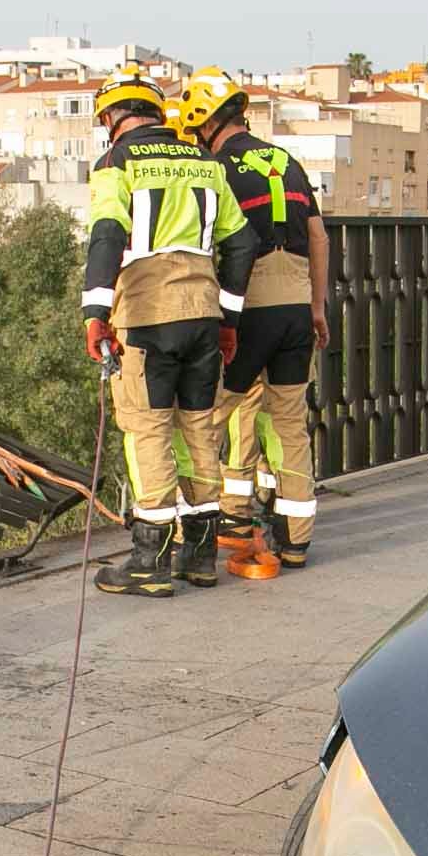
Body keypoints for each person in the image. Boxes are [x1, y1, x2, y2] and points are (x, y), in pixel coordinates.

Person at [81, 69, 259, 597]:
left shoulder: (115, 162)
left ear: (111, 118)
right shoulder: (203, 161)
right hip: (203, 314)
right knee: (200, 429)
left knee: (148, 430)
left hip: (146, 315)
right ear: (158, 113)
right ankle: (199, 556)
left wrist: (95, 310)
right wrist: (227, 317)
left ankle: (149, 560)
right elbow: (242, 243)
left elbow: (108, 232)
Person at [172, 67, 326, 571]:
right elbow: (319, 238)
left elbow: (219, 242)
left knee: (207, 413)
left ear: (203, 123)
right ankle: (296, 539)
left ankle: (192, 526)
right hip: (298, 307)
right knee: (288, 424)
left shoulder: (217, 167)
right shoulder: (289, 162)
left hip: (251, 305)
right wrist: (318, 308)